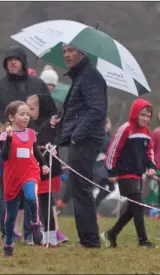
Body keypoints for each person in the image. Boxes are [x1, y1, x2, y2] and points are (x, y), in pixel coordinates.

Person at [0, 46, 50, 243]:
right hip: (8, 147)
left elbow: (49, 112)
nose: (12, 62)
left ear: (23, 62)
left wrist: (40, 131)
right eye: (9, 59)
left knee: (30, 191)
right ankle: (7, 233)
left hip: (30, 145)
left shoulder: (37, 84)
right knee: (8, 191)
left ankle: (29, 233)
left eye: (16, 59)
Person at [50, 44, 108, 248]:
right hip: (81, 139)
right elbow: (80, 109)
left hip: (85, 140)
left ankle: (90, 240)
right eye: (64, 51)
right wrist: (61, 119)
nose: (66, 54)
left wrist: (76, 135)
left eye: (71, 50)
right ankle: (87, 239)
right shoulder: (80, 76)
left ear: (83, 52)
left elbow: (97, 110)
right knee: (79, 189)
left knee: (82, 189)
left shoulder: (90, 76)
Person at [101, 98, 156, 248]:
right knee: (138, 204)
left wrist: (150, 165)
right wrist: (111, 171)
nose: (145, 118)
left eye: (147, 116)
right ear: (135, 113)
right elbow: (113, 149)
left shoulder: (146, 132)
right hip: (124, 174)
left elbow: (148, 151)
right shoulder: (125, 128)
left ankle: (111, 234)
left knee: (133, 208)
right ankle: (143, 240)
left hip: (138, 174)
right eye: (142, 114)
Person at [0, 101, 49, 257]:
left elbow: (35, 150)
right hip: (12, 176)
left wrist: (44, 165)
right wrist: (9, 138)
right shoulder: (4, 135)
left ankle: (35, 224)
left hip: (30, 172)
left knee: (31, 197)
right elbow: (4, 156)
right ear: (11, 117)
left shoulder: (32, 133)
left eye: (28, 114)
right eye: (22, 114)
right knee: (11, 216)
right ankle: (8, 243)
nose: (26, 117)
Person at [27, 93, 69, 246]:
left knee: (46, 204)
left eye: (32, 108)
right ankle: (48, 235)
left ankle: (50, 237)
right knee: (44, 204)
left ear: (41, 107)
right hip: (39, 168)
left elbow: (48, 143)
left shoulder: (48, 125)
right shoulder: (37, 124)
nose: (29, 112)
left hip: (47, 169)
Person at [94, 118, 114, 212]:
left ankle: (94, 207)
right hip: (99, 166)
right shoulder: (102, 135)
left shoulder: (107, 135)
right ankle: (93, 207)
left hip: (104, 166)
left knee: (110, 187)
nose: (110, 125)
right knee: (108, 187)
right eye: (109, 123)